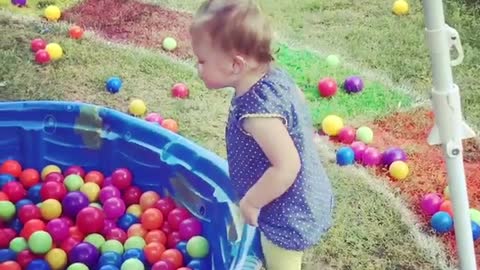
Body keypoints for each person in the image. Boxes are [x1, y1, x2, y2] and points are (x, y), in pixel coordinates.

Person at [189, 0, 334, 269]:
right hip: (295, 195)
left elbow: (288, 166)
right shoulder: (272, 75)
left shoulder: (258, 115)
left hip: (287, 212)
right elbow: (298, 100)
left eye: (202, 61)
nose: (197, 68)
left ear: (235, 65)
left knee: (281, 262)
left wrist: (253, 203)